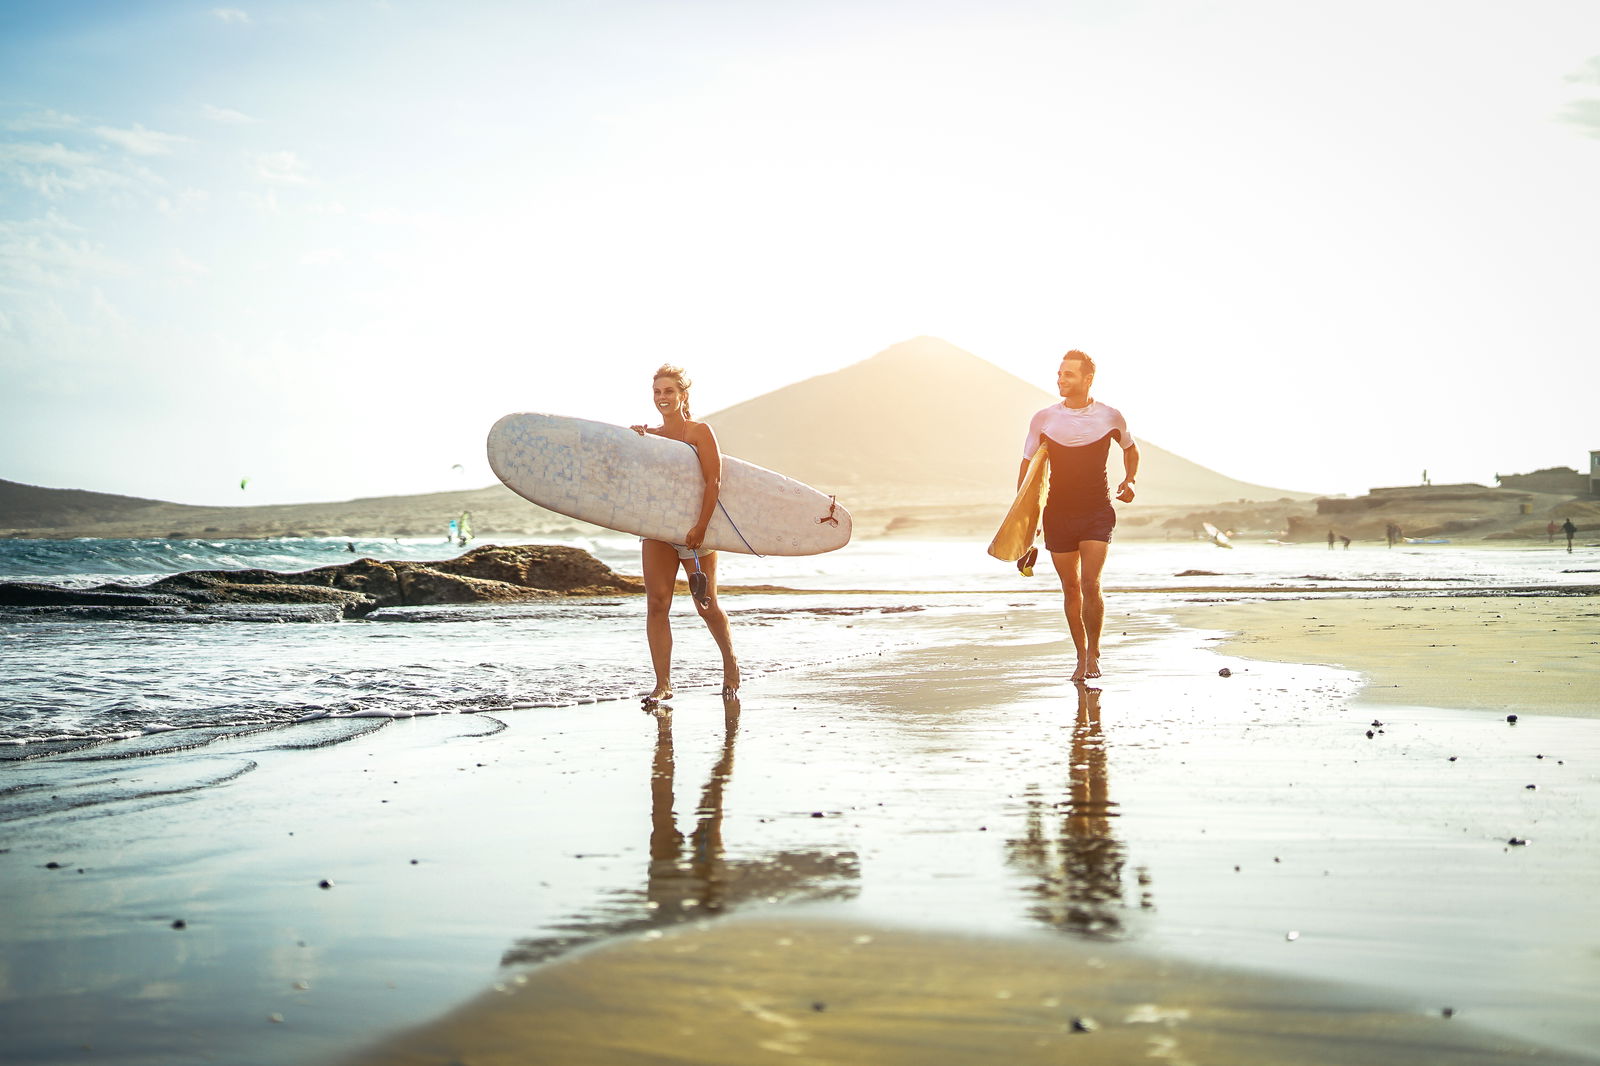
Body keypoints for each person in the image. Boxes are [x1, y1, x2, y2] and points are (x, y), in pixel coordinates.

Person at [1020, 350, 1139, 681]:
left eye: (1069, 374)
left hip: (1097, 511)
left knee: (1090, 582)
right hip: (1058, 514)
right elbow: (1028, 464)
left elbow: (1130, 448)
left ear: (1088, 379)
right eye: (1059, 373)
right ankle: (1080, 653)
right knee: (1070, 588)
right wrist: (1026, 517)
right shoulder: (1043, 419)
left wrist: (1129, 479)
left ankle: (1093, 653)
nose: (1061, 379)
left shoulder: (1110, 416)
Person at [631, 364, 739, 705]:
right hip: (658, 529)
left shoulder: (699, 431)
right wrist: (632, 442)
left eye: (669, 392)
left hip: (696, 529)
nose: (662, 397)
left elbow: (714, 481)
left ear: (682, 396)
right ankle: (663, 684)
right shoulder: (650, 436)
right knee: (657, 603)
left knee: (705, 605)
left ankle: (730, 663)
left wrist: (702, 526)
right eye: (658, 392)